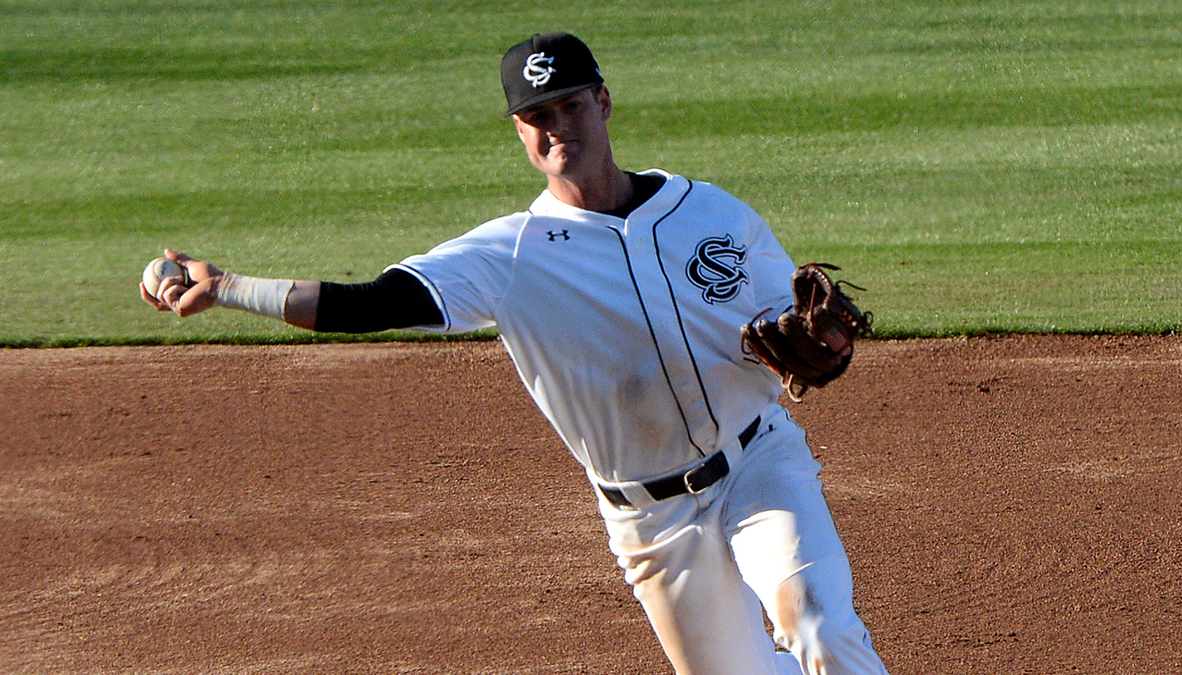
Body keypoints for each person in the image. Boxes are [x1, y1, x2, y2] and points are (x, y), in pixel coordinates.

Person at [141, 32, 889, 675]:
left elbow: (793, 322)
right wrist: (229, 287)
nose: (557, 126)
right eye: (537, 115)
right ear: (519, 132)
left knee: (817, 622)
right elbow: (371, 303)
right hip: (652, 522)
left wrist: (823, 346)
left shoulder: (709, 211)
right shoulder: (509, 255)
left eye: (570, 105)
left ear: (603, 103)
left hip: (760, 464)